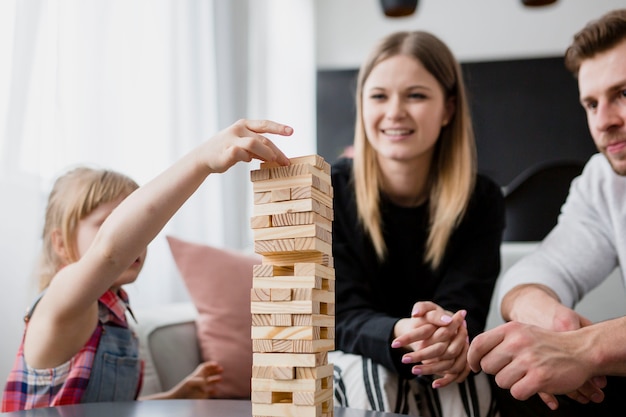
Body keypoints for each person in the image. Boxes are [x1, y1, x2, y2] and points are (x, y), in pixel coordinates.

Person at [1, 119, 293, 411]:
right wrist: (202, 159)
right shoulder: (61, 304)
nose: (136, 238)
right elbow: (109, 251)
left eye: (139, 228)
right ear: (61, 243)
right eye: (110, 224)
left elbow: (110, 408)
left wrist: (175, 397)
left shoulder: (114, 319)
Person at [330, 30, 505, 417]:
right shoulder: (331, 190)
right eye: (378, 96)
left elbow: (465, 309)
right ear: (362, 106)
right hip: (358, 357)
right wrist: (398, 333)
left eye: (416, 95)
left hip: (440, 361)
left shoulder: (483, 199)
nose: (394, 112)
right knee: (371, 376)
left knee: (468, 383)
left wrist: (444, 337)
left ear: (448, 109)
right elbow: (338, 316)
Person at [467, 8, 626, 416]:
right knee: (520, 386)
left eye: (623, 94)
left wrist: (587, 349)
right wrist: (553, 326)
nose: (603, 121)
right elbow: (534, 273)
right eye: (591, 104)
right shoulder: (603, 180)